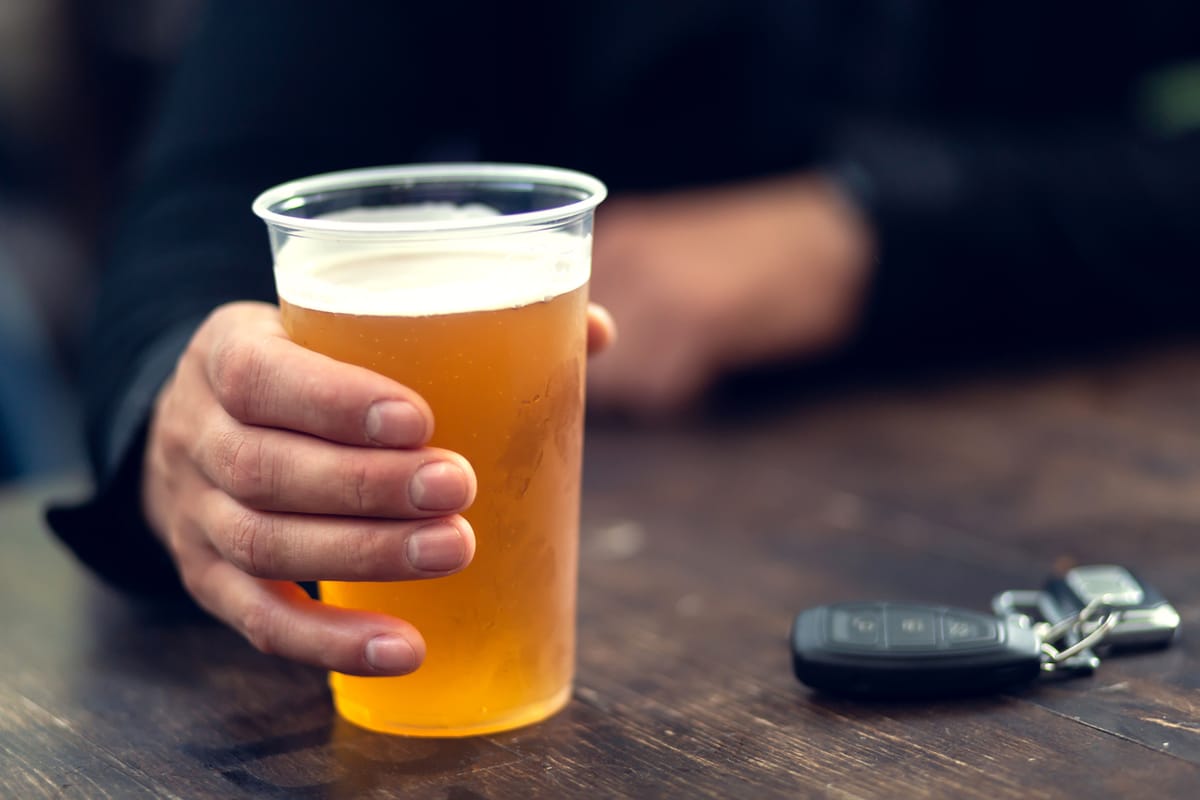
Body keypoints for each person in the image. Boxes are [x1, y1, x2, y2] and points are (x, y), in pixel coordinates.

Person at [49, 2, 1200, 677]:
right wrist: (187, 415)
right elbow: (207, 196)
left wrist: (864, 229)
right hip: (590, 515)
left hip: (1076, 485)